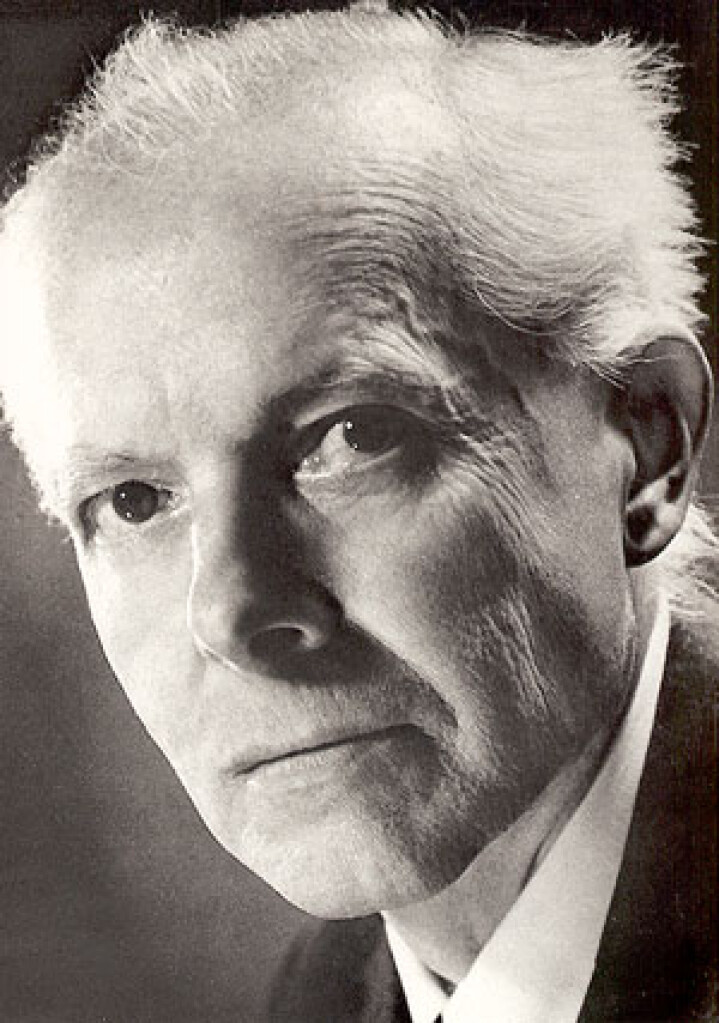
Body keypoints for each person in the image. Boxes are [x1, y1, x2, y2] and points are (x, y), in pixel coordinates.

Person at [0, 5, 716, 1020]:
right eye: (134, 501)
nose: (232, 613)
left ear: (646, 447)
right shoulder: (322, 997)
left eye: (351, 437)